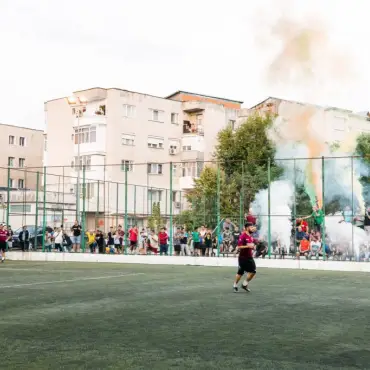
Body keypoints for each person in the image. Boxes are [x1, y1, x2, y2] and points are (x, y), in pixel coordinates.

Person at [233, 222, 256, 293]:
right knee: (240, 272)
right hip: (242, 257)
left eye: (252, 227)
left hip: (249, 257)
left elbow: (252, 244)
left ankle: (244, 284)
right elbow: (239, 246)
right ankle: (235, 285)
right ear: (247, 228)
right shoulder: (243, 236)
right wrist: (248, 246)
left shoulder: (251, 236)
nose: (252, 228)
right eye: (251, 227)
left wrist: (254, 246)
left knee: (253, 271)